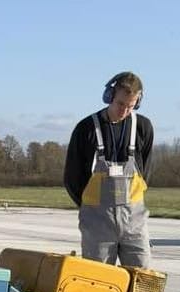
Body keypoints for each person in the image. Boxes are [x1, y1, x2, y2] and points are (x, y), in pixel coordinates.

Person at [64, 71, 154, 268]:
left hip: (134, 221)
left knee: (142, 278)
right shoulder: (86, 129)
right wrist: (91, 206)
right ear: (109, 96)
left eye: (130, 106)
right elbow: (72, 178)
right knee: (98, 281)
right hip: (98, 223)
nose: (124, 111)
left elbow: (144, 171)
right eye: (120, 104)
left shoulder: (143, 128)